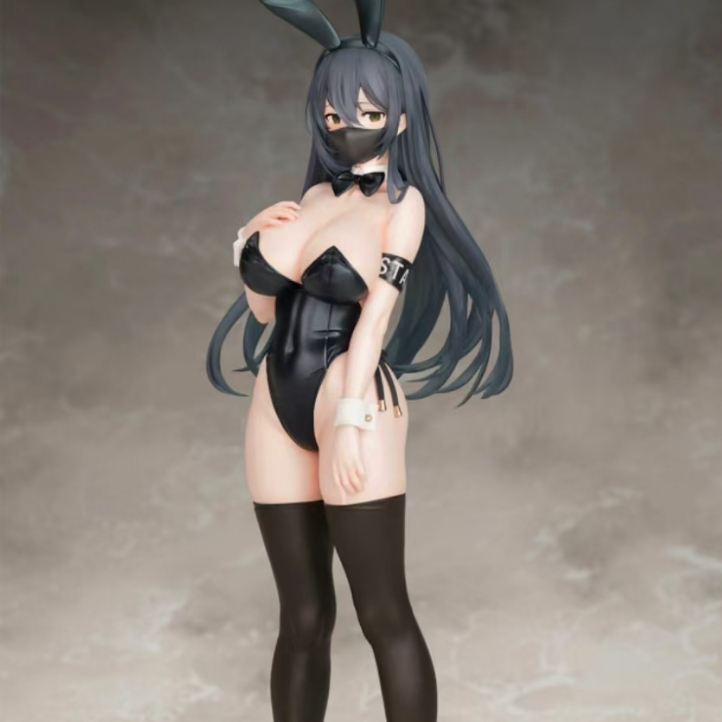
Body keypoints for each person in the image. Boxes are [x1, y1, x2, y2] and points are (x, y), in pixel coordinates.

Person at [206, 1, 513, 720]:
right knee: (302, 617)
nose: (347, 127)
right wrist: (247, 241)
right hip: (277, 394)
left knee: (382, 613)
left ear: (399, 118)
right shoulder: (313, 194)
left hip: (353, 392)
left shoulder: (403, 207)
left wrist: (348, 421)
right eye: (333, 114)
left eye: (367, 113)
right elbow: (265, 311)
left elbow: (376, 314)